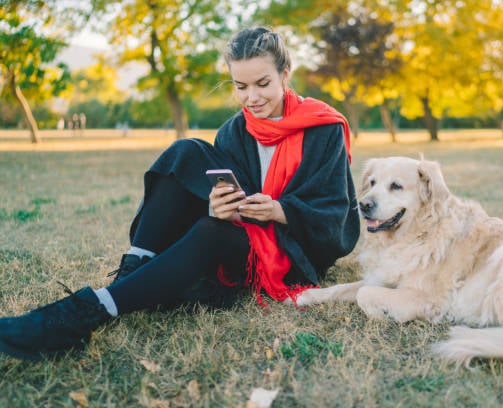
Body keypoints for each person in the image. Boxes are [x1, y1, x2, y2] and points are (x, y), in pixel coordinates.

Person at [0, 27, 360, 361]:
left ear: (285, 75)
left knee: (208, 231)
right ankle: (131, 272)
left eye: (263, 83)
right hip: (245, 234)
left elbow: (337, 219)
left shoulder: (322, 129)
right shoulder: (234, 132)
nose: (252, 98)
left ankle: (90, 310)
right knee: (185, 151)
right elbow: (226, 202)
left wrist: (280, 211)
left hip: (290, 251)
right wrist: (220, 207)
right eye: (240, 86)